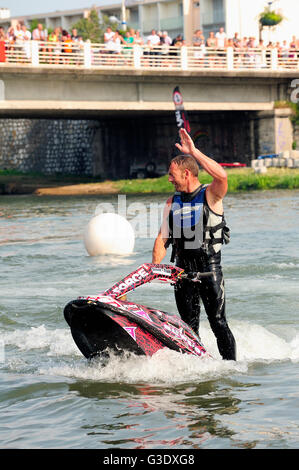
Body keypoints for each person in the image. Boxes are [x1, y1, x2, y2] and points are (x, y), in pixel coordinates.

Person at [152, 128, 236, 361]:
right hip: (182, 273)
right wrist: (155, 267)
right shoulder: (172, 201)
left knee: (218, 323)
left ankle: (231, 369)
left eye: (172, 175)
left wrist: (194, 151)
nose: (169, 179)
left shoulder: (211, 195)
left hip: (209, 270)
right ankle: (196, 370)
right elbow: (163, 237)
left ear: (186, 173)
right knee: (188, 329)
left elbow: (222, 176)